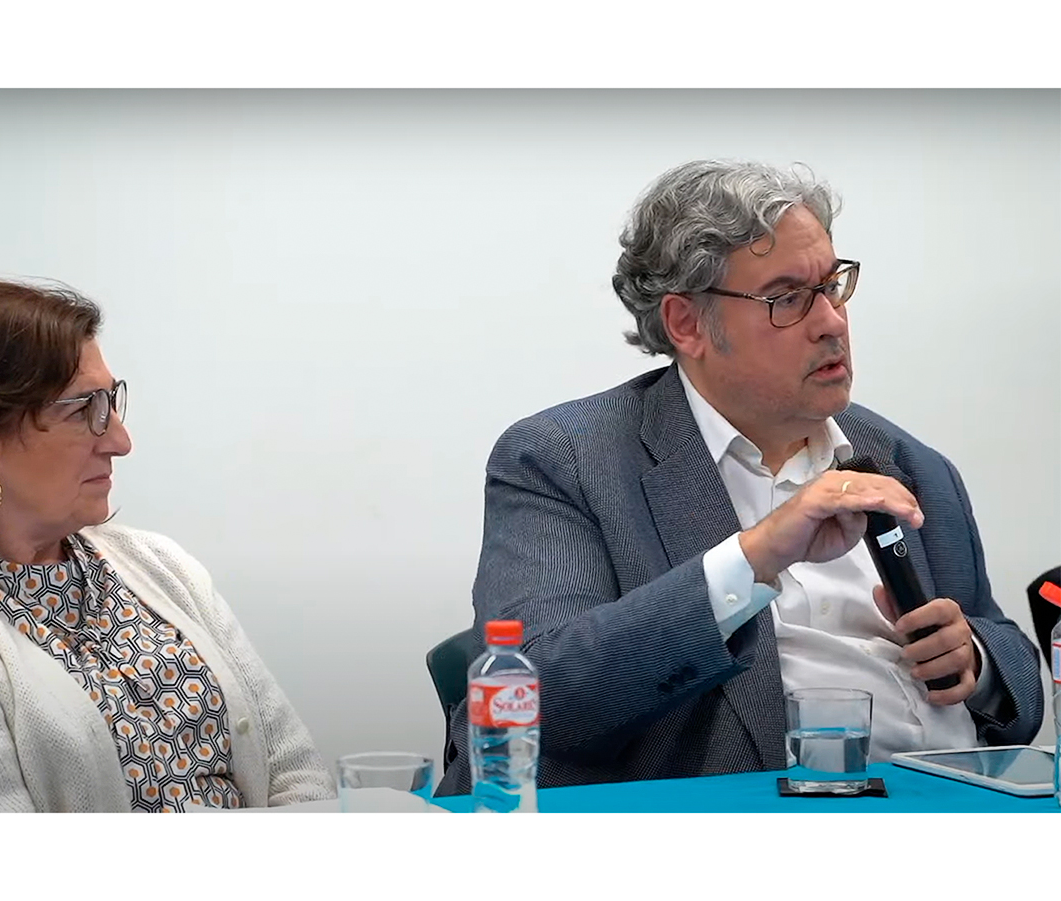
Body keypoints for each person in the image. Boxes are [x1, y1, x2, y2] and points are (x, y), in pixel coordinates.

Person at [436, 160, 1044, 795]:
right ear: (687, 324)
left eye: (831, 286)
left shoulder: (907, 462)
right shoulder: (564, 460)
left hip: (953, 804)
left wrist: (975, 660)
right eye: (787, 298)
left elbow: (1016, 684)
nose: (832, 322)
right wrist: (754, 558)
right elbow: (539, 694)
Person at [0, 278, 335, 811]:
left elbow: (294, 770)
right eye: (82, 409)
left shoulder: (160, 565)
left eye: (110, 401)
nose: (120, 441)